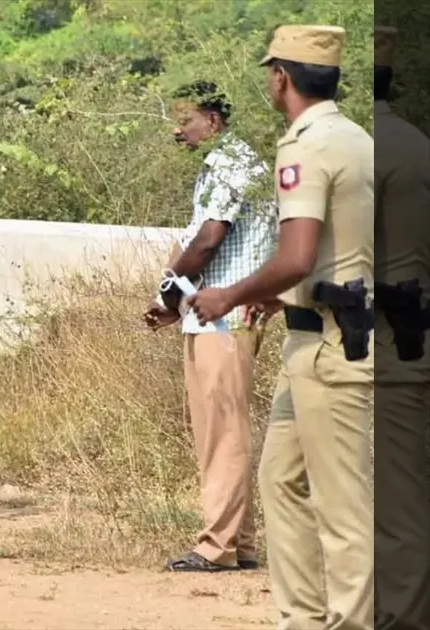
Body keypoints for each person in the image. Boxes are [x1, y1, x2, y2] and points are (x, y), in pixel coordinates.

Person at [188, 25, 374, 630]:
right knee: (280, 479)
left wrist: (232, 294)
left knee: (342, 505)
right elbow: (335, 248)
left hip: (331, 345)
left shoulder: (305, 146)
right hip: (321, 328)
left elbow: (295, 255)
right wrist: (279, 295)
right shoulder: (356, 139)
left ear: (281, 78)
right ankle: (304, 618)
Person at [143, 80, 276, 572]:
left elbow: (208, 241)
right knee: (219, 426)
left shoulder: (231, 163)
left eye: (186, 121)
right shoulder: (226, 164)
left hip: (228, 315)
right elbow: (195, 241)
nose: (178, 131)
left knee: (223, 429)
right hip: (208, 313)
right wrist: (170, 301)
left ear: (214, 121)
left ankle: (216, 545)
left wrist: (168, 295)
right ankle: (238, 542)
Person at [372, 25, 430, 630]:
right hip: (405, 331)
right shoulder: (413, 142)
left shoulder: (369, 150)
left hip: (389, 336)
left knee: (397, 503)